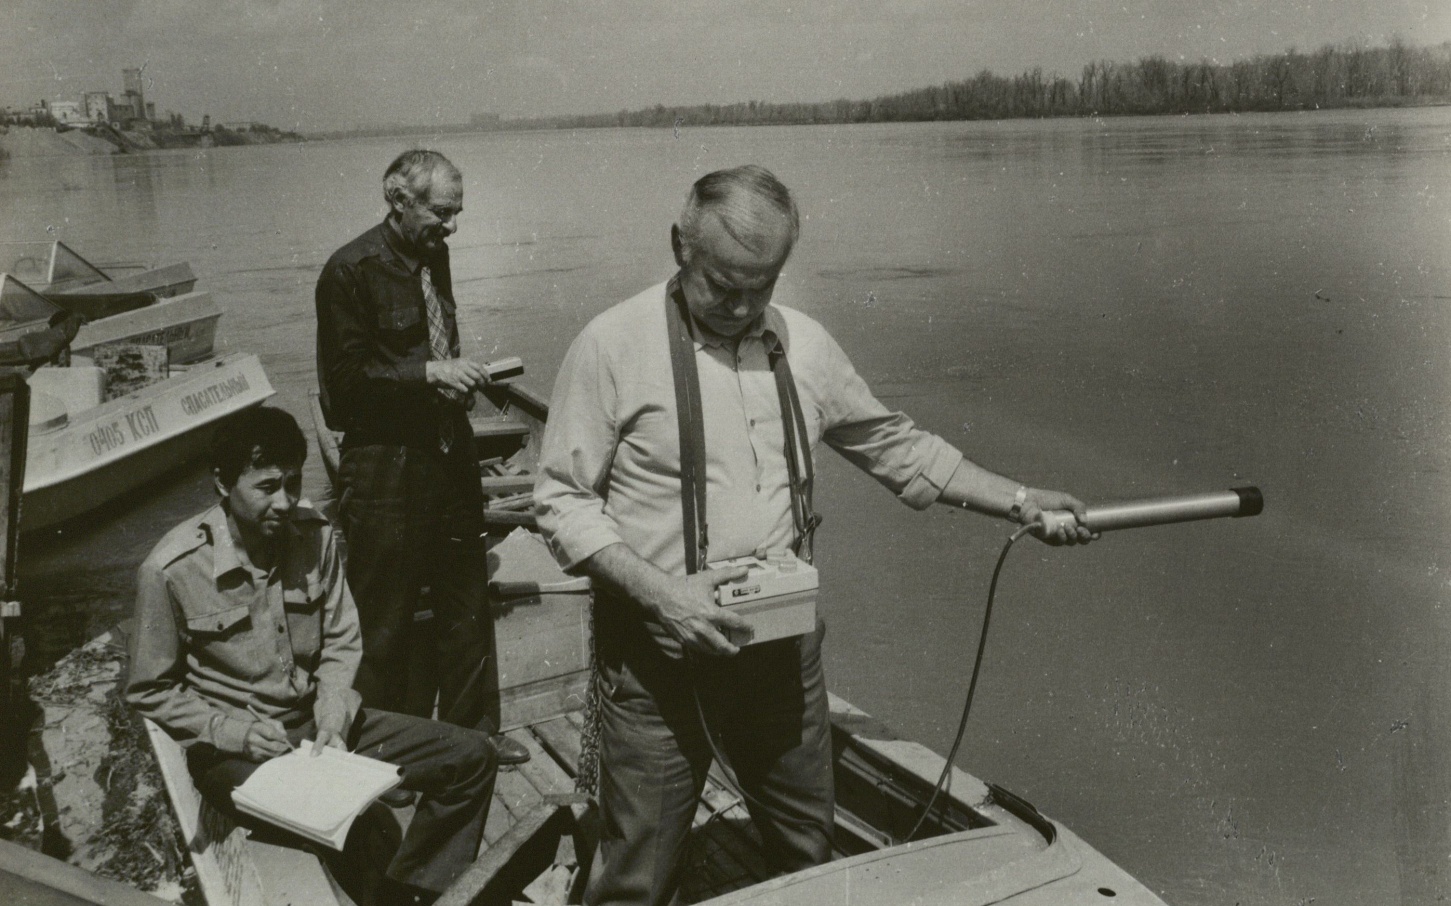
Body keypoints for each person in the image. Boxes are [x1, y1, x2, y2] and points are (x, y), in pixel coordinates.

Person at [534, 164, 1094, 906]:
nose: (742, 308)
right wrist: (665, 595)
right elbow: (562, 501)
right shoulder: (611, 346)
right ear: (678, 247)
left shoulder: (805, 345)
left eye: (761, 287)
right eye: (722, 287)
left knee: (808, 848)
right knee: (638, 870)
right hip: (659, 655)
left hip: (782, 653)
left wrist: (1019, 500)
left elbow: (896, 446)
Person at [126, 407, 497, 905]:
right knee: (350, 825)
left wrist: (333, 714)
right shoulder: (169, 570)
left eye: (294, 483)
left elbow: (342, 639)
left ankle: (414, 894)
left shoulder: (316, 534)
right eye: (267, 487)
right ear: (222, 483)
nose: (284, 501)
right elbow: (150, 689)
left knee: (472, 758)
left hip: (320, 729)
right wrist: (232, 732)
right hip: (237, 754)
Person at [314, 149, 527, 764]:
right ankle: (380, 753)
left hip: (448, 454)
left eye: (457, 213)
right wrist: (430, 373)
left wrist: (460, 377)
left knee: (467, 605)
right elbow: (342, 391)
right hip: (385, 467)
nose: (451, 227)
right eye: (441, 213)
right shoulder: (348, 271)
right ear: (397, 199)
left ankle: (474, 739)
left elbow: (437, 341)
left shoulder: (435, 254)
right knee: (383, 619)